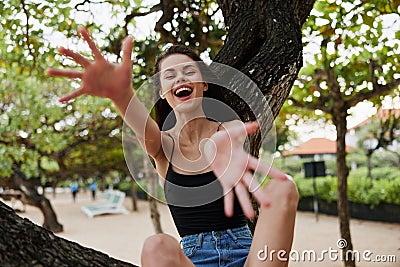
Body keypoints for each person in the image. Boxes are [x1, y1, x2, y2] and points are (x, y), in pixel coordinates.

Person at [47, 27, 299, 267]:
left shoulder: (228, 128)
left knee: (283, 187)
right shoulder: (162, 146)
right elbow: (143, 129)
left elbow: (226, 142)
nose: (180, 77)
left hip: (248, 255)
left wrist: (216, 152)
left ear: (204, 83)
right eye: (169, 75)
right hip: (193, 259)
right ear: (163, 92)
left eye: (189, 71)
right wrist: (122, 95)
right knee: (157, 245)